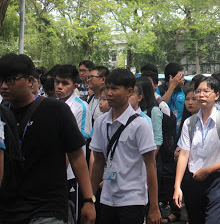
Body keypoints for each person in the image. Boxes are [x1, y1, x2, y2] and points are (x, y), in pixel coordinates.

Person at [0, 53, 95, 224]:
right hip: (10, 208)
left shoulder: (56, 110)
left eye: (11, 80)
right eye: (1, 80)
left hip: (47, 207)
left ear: (30, 81)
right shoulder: (2, 114)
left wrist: (88, 200)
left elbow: (77, 156)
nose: (4, 86)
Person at [89, 68, 160, 224]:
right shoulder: (101, 122)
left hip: (132, 199)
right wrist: (89, 199)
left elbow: (150, 166)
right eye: (107, 88)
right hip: (107, 197)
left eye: (114, 88)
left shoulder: (140, 124)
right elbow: (98, 161)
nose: (109, 93)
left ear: (129, 92)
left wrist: (154, 206)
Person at [174, 77, 220, 223]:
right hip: (194, 179)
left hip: (218, 180)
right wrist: (177, 186)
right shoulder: (189, 123)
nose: (201, 95)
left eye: (206, 91)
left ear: (216, 95)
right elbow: (184, 154)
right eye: (198, 91)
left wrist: (209, 170)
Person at [54, 64, 93, 220]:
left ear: (75, 86)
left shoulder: (80, 107)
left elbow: (75, 145)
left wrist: (59, 172)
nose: (59, 87)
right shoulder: (52, 104)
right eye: (57, 82)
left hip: (70, 173)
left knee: (72, 214)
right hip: (53, 171)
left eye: (65, 83)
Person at [158, 63, 186, 132]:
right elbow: (160, 106)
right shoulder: (159, 90)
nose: (183, 79)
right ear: (171, 77)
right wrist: (172, 86)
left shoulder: (184, 91)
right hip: (164, 132)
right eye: (180, 77)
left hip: (180, 132)